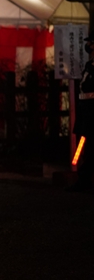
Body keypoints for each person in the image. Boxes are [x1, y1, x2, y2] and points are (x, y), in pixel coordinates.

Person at [68, 33, 94, 192]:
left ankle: (84, 180)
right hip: (86, 109)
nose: (89, 46)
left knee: (90, 147)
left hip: (92, 109)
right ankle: (83, 180)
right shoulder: (89, 64)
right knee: (89, 146)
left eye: (91, 43)